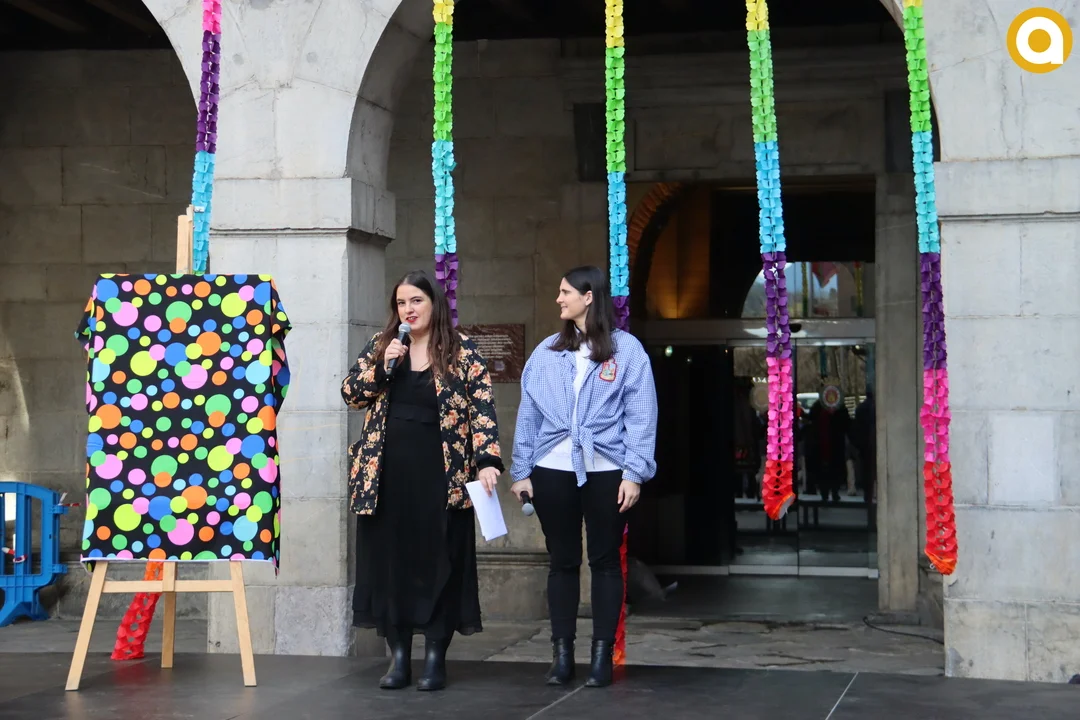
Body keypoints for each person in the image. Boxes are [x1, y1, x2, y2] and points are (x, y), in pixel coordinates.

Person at [341, 269, 503, 692]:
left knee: (438, 562)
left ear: (434, 304)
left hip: (441, 475)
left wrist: (487, 461)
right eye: (401, 303)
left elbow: (482, 410)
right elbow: (351, 394)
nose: (408, 310)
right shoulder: (383, 346)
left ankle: (434, 657)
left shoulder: (461, 349)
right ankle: (398, 658)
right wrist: (384, 367)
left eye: (416, 301)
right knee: (391, 564)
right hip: (386, 476)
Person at [510, 266, 658, 688]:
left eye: (565, 292)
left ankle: (601, 657)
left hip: (607, 469)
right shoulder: (546, 352)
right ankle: (561, 656)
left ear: (589, 296)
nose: (558, 299)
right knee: (562, 561)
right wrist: (521, 471)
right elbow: (528, 414)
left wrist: (634, 473)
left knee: (605, 561)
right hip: (552, 468)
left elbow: (642, 415)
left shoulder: (627, 351)